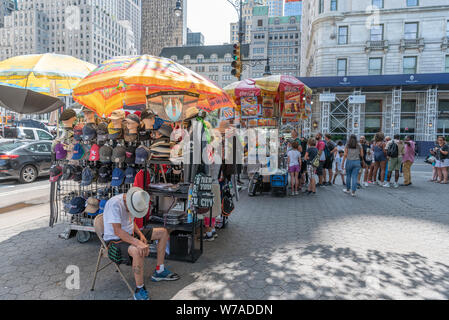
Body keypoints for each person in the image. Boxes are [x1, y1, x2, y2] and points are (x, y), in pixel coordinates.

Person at [103, 187, 180, 300]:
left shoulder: (134, 201)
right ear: (127, 202)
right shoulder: (114, 204)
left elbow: (131, 222)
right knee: (137, 250)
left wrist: (140, 234)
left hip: (130, 234)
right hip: (115, 240)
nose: (133, 212)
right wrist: (138, 243)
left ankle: (160, 270)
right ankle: (139, 289)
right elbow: (117, 231)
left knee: (163, 232)